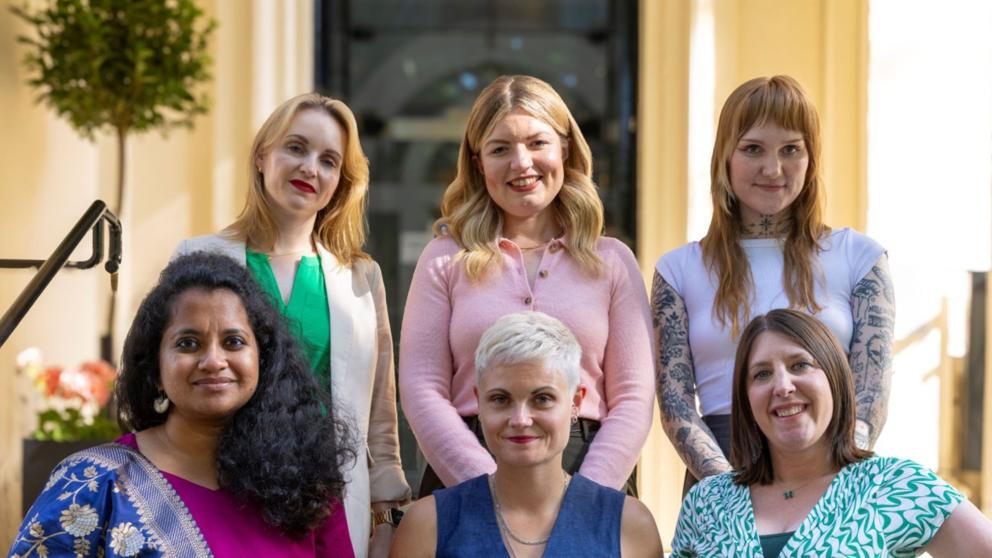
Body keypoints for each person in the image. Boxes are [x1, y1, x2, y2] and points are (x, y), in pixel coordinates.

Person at [172, 93, 410, 555]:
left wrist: (386, 515)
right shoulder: (197, 257)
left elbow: (380, 414)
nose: (310, 168)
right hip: (222, 490)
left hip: (331, 504)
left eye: (328, 160)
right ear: (263, 156)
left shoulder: (361, 278)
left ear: (340, 181)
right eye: (296, 148)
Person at [399, 74, 654, 498]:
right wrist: (484, 487)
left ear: (565, 148)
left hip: (588, 469)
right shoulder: (445, 258)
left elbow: (634, 396)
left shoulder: (613, 262)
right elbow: (422, 387)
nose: (521, 163)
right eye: (500, 149)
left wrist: (587, 496)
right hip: (465, 473)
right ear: (479, 163)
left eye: (537, 143)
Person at [10, 253, 356, 557]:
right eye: (188, 343)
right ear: (155, 369)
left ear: (262, 361)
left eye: (233, 341)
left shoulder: (306, 488)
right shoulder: (94, 485)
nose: (213, 360)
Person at [652, 75, 895, 494]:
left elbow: (871, 395)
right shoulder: (678, 269)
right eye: (752, 149)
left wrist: (826, 479)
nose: (773, 169)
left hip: (833, 478)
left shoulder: (861, 258)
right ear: (724, 158)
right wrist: (728, 489)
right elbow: (675, 405)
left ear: (811, 158)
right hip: (719, 477)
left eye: (790, 150)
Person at [671, 309, 992, 556]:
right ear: (746, 399)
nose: (783, 386)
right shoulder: (707, 500)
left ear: (835, 379)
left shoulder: (897, 484)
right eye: (762, 374)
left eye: (800, 365)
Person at [392, 312, 662, 557]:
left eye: (542, 398)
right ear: (479, 402)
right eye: (500, 399)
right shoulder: (428, 525)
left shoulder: (630, 525)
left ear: (576, 402)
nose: (520, 420)